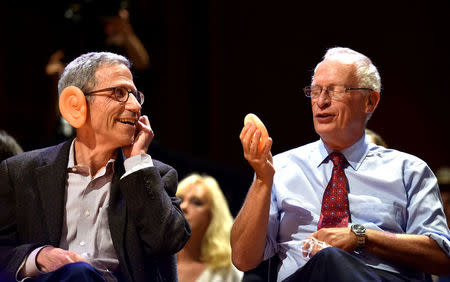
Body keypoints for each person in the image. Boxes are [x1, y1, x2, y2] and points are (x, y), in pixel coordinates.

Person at [231, 47, 450, 281]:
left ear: (370, 101)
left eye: (334, 91)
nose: (321, 102)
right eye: (315, 92)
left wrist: (362, 237)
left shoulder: (409, 171)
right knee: (326, 261)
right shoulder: (279, 168)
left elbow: (442, 257)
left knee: (331, 258)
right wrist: (263, 180)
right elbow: (243, 259)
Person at [0, 52, 190, 282]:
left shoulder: (153, 176)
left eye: (135, 95)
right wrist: (38, 257)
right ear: (76, 103)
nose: (134, 106)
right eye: (119, 93)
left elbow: (167, 241)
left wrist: (137, 163)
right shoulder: (20, 172)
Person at [176, 173, 243, 282]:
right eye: (179, 199)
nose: (183, 206)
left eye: (196, 202)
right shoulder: (153, 258)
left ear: (212, 216)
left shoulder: (228, 273)